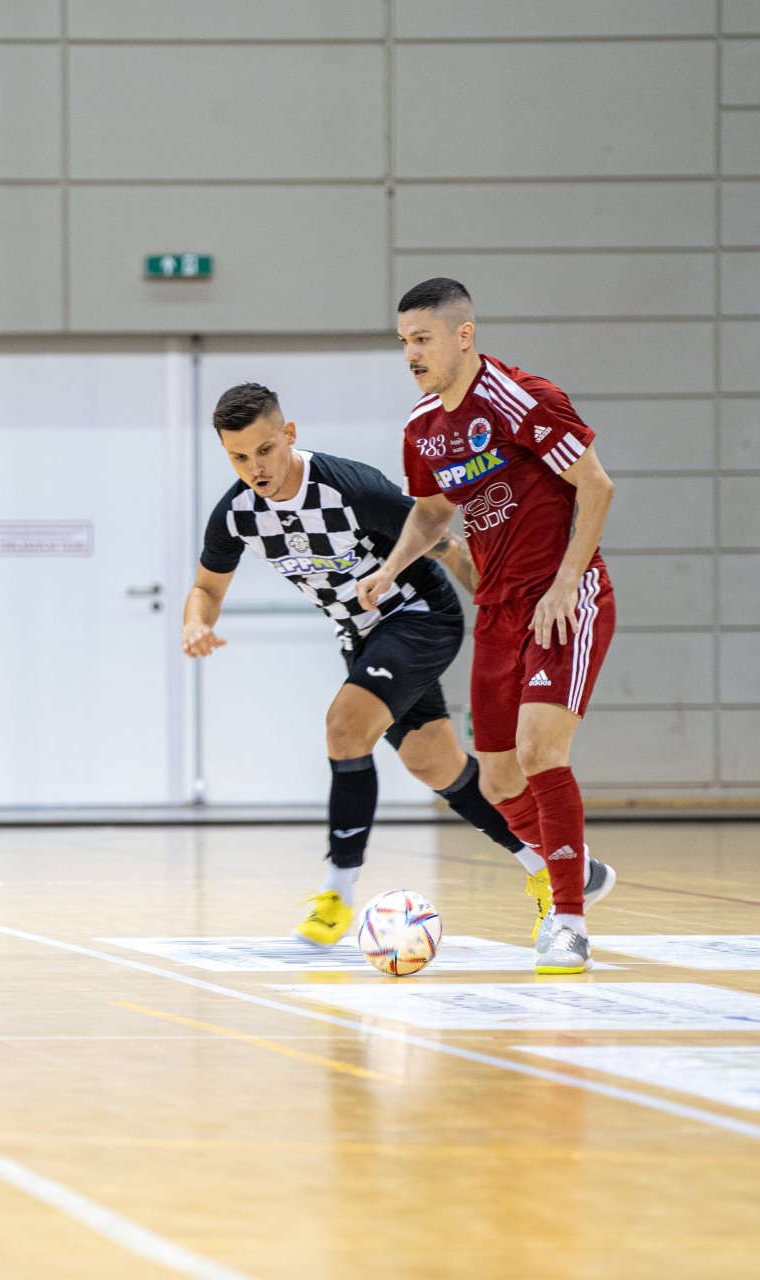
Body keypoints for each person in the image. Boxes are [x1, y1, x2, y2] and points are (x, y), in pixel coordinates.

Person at [182, 382, 598, 949]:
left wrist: (500, 609)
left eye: (264, 450)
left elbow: (440, 539)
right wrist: (196, 621)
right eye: (238, 457)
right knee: (435, 765)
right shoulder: (235, 515)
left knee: (344, 726)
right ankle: (547, 869)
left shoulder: (348, 487)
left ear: (289, 435)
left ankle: (337, 892)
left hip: (419, 615)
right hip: (361, 635)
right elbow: (207, 586)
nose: (255, 467)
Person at [360, 278, 619, 975]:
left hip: (562, 598)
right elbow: (433, 513)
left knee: (540, 751)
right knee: (500, 785)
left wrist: (568, 581)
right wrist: (391, 570)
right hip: (499, 610)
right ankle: (576, 865)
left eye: (423, 339)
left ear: (463, 334)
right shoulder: (423, 426)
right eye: (404, 342)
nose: (411, 353)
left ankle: (567, 920)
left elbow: (596, 484)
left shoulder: (521, 398)